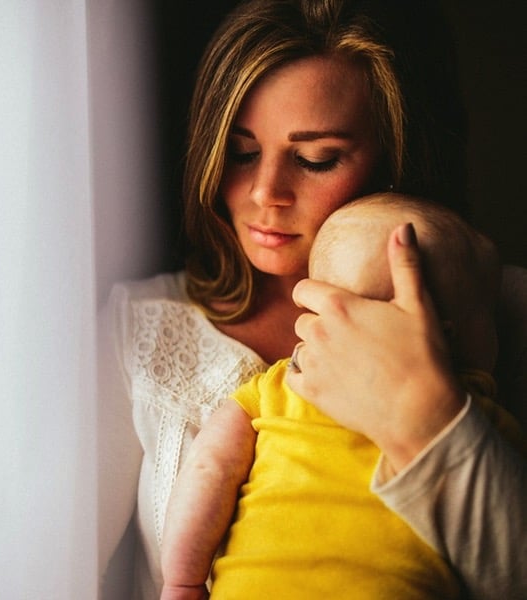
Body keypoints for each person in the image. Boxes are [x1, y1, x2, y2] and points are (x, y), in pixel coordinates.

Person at [97, 1, 527, 598]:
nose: (266, 192)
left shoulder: (501, 309)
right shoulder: (140, 328)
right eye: (242, 152)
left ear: (395, 157)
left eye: (315, 159)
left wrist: (426, 418)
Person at [158, 193, 527, 599]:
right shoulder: (479, 421)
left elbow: (208, 469)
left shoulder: (277, 387)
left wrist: (183, 580)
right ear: (451, 332)